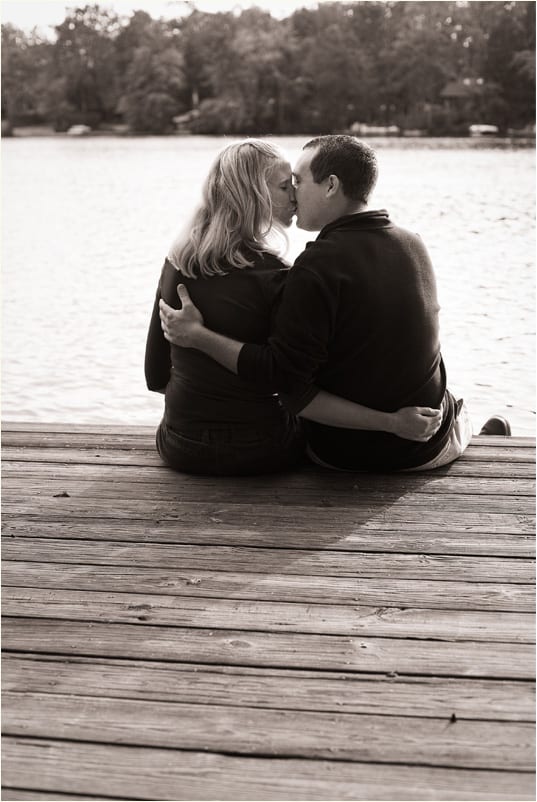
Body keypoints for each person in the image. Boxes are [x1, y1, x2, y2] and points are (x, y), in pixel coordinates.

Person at [159, 134, 491, 473]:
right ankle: (478, 433)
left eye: (298, 183)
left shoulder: (184, 260)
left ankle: (471, 430)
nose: (294, 194)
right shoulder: (412, 244)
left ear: (331, 186)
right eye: (287, 185)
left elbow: (159, 375)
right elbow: (285, 379)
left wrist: (197, 339)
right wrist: (391, 421)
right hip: (410, 443)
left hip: (325, 451)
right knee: (448, 399)